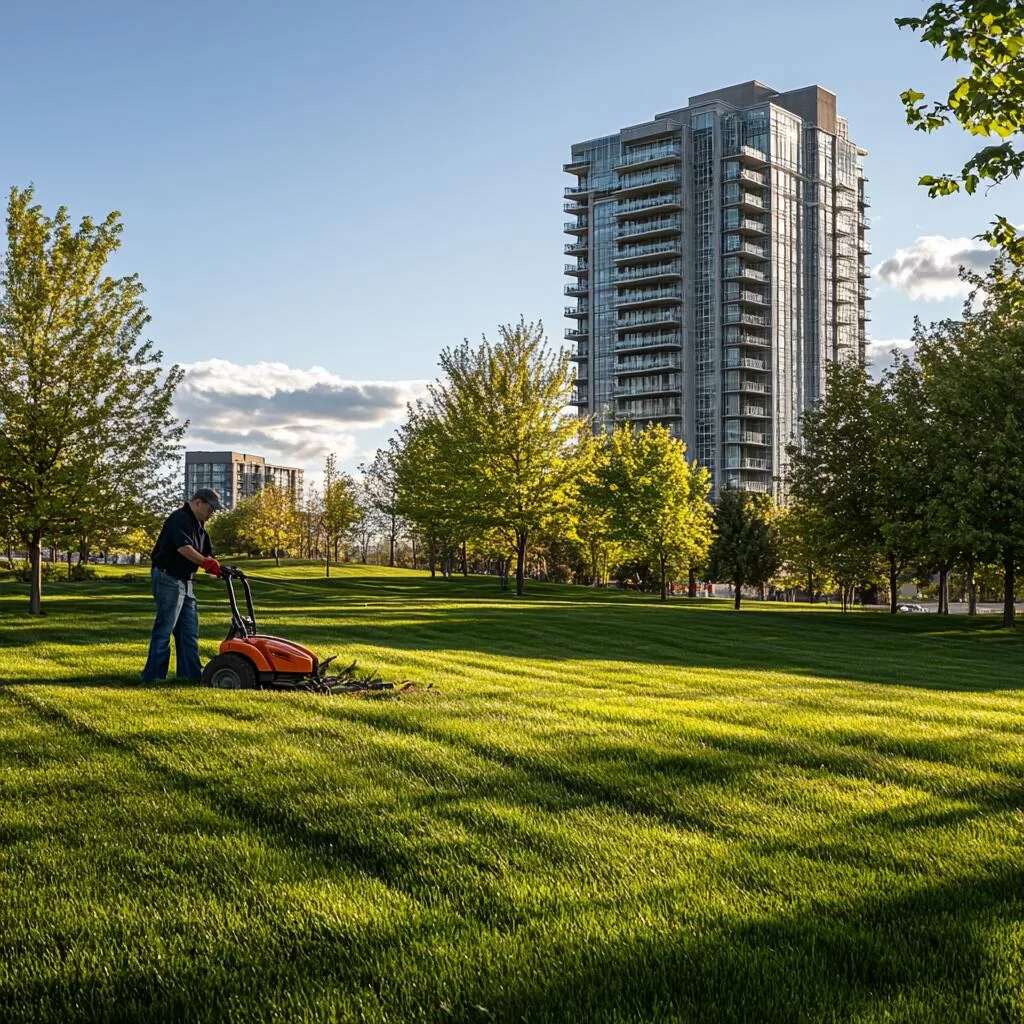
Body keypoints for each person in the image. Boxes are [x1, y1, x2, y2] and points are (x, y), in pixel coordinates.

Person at [140, 488, 224, 683]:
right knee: (165, 629)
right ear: (198, 503)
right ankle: (153, 677)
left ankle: (191, 675)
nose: (213, 513)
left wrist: (219, 568)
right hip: (168, 577)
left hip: (186, 581)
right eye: (211, 509)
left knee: (188, 630)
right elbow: (183, 547)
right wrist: (205, 563)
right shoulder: (180, 518)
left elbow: (206, 553)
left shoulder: (200, 525)